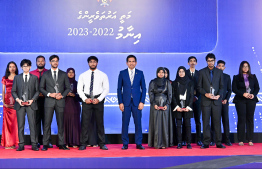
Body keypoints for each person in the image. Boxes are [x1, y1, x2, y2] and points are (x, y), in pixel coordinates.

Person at [78, 56, 109, 150]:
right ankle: (83, 143)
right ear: (88, 63)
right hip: (86, 100)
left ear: (97, 63)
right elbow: (79, 89)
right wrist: (84, 99)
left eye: (94, 62)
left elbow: (106, 89)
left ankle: (102, 143)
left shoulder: (103, 75)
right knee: (85, 122)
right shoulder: (83, 75)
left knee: (100, 122)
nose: (92, 63)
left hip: (98, 100)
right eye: (91, 62)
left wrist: (99, 99)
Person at [39, 55, 70, 151]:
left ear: (58, 62)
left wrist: (62, 95)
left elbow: (68, 88)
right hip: (49, 102)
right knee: (47, 123)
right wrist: (49, 94)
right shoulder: (45, 74)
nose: (55, 62)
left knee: (60, 123)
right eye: (53, 61)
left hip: (60, 101)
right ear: (50, 62)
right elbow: (41, 88)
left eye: (56, 61)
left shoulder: (63, 74)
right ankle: (45, 144)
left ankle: (61, 143)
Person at [117, 55, 146, 150]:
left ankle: (139, 143)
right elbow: (119, 89)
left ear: (136, 63)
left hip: (137, 103)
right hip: (126, 103)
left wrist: (142, 102)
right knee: (125, 124)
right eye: (129, 61)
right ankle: (125, 143)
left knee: (138, 124)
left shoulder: (140, 73)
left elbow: (144, 89)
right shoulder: (122, 73)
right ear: (126, 63)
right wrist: (120, 102)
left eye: (133, 61)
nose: (131, 63)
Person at [197, 53, 225, 149]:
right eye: (209, 60)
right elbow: (199, 87)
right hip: (205, 101)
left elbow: (222, 87)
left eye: (212, 60)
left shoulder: (219, 72)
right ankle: (206, 142)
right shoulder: (201, 72)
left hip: (216, 101)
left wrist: (219, 95)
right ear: (206, 61)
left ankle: (218, 142)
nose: (210, 62)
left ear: (215, 61)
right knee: (205, 122)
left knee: (217, 122)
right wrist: (205, 94)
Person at [11, 59, 39, 151]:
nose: (25, 67)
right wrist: (18, 100)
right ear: (21, 67)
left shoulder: (34, 78)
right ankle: (21, 144)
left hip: (31, 104)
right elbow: (13, 91)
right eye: (24, 66)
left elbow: (37, 91)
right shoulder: (17, 78)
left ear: (30, 67)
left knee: (32, 125)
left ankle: (34, 144)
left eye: (27, 66)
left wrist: (32, 100)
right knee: (20, 125)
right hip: (20, 105)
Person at [232, 61, 260, 146]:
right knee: (241, 119)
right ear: (241, 68)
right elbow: (234, 89)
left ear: (249, 68)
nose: (245, 68)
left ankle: (250, 139)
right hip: (240, 100)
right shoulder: (236, 77)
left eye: (247, 66)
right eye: (243, 66)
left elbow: (257, 88)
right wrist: (243, 94)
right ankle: (240, 139)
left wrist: (253, 95)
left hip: (251, 100)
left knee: (250, 119)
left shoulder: (253, 77)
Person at [30, 55, 53, 148]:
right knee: (36, 121)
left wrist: (46, 93)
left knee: (47, 121)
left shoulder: (49, 72)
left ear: (45, 62)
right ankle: (38, 141)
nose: (40, 62)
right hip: (35, 100)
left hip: (47, 99)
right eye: (38, 61)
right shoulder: (31, 73)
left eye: (42, 61)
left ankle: (48, 141)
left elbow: (52, 85)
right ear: (36, 62)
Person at [148, 67, 173, 149]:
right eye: (159, 72)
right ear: (157, 73)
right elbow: (151, 94)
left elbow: (170, 94)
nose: (161, 74)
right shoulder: (153, 82)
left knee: (164, 124)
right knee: (156, 123)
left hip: (165, 105)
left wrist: (167, 104)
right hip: (155, 105)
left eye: (163, 72)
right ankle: (156, 143)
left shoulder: (167, 82)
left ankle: (164, 143)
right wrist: (154, 104)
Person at [210, 60, 232, 146]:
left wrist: (226, 99)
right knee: (214, 121)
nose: (220, 67)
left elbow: (229, 90)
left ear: (224, 67)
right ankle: (213, 140)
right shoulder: (213, 76)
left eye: (222, 66)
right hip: (215, 101)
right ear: (216, 66)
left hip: (225, 102)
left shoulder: (227, 77)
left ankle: (227, 139)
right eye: (219, 66)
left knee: (225, 121)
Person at [172, 66, 194, 149]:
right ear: (178, 73)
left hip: (187, 106)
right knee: (178, 125)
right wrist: (177, 106)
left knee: (188, 125)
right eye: (179, 71)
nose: (181, 73)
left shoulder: (190, 82)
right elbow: (173, 96)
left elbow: (192, 96)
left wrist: (188, 106)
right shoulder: (174, 83)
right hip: (178, 107)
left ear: (185, 73)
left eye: (183, 71)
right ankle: (179, 143)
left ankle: (188, 143)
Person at [1, 61, 19, 149]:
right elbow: (3, 91)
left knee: (15, 124)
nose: (12, 68)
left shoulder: (19, 77)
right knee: (7, 124)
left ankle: (15, 142)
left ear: (16, 68)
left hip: (16, 102)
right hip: (7, 104)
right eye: (10, 67)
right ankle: (8, 143)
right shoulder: (4, 78)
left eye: (13, 66)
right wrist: (4, 103)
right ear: (8, 68)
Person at [186, 56, 202, 146]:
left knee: (197, 120)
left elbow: (202, 86)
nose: (192, 62)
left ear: (196, 63)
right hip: (187, 100)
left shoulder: (200, 73)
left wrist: (196, 96)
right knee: (187, 120)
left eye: (194, 61)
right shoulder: (185, 72)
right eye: (190, 61)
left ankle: (199, 139)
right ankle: (186, 140)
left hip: (198, 99)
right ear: (188, 63)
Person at [64, 68, 81, 148]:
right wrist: (65, 94)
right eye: (69, 72)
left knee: (75, 123)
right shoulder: (63, 83)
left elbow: (81, 96)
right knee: (65, 122)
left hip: (75, 105)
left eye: (72, 72)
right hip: (65, 105)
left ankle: (75, 142)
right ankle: (65, 142)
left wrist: (74, 95)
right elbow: (59, 93)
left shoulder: (78, 83)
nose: (71, 74)